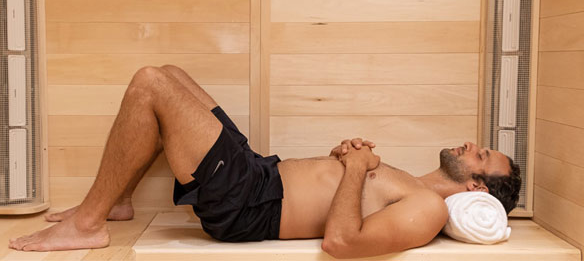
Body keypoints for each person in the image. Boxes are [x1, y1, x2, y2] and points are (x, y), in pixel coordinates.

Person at [8, 65, 521, 258]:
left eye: (483, 156)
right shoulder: (409, 181)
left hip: (249, 204)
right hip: (258, 174)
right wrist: (347, 160)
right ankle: (117, 201)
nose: (472, 145)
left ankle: (87, 222)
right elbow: (342, 194)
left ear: (478, 189)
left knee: (151, 85)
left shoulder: (427, 210)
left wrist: (358, 169)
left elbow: (342, 242)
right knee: (171, 73)